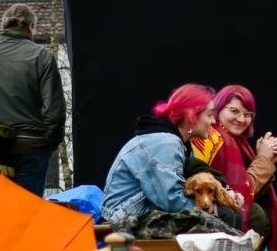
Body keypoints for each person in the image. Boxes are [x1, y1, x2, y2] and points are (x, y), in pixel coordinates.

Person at [101, 83, 240, 239]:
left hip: (140, 215)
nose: (213, 121)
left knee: (227, 212)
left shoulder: (178, 142)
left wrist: (224, 197)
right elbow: (171, 200)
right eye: (209, 114)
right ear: (192, 115)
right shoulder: (165, 143)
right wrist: (213, 209)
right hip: (124, 222)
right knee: (224, 215)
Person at [0, 3, 67, 196]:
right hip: (32, 147)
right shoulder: (42, 56)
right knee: (27, 213)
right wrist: (50, 142)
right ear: (30, 27)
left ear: (4, 25)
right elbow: (54, 109)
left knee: (1, 211)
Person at [192, 84, 277, 251]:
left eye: (248, 114)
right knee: (255, 214)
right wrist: (263, 161)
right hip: (211, 222)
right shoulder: (215, 138)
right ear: (218, 109)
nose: (241, 119)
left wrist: (266, 160)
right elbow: (239, 196)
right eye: (234, 111)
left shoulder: (236, 142)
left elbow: (244, 193)